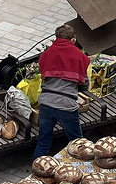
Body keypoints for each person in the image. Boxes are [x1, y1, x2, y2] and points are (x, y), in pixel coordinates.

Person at [34, 24, 90, 158]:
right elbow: (84, 85)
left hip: (46, 104)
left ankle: (36, 172)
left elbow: (44, 77)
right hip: (67, 106)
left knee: (43, 142)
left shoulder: (46, 54)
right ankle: (80, 174)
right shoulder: (78, 56)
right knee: (78, 144)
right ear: (72, 40)